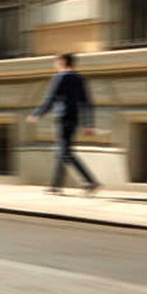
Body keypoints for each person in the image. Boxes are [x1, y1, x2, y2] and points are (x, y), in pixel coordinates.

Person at [27, 53, 99, 196]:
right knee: (62, 152)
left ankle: (90, 182)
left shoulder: (59, 78)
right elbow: (86, 102)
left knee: (65, 153)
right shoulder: (79, 78)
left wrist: (37, 114)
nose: (55, 65)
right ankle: (56, 186)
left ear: (63, 62)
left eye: (57, 62)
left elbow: (50, 99)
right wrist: (88, 124)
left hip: (62, 118)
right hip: (74, 119)